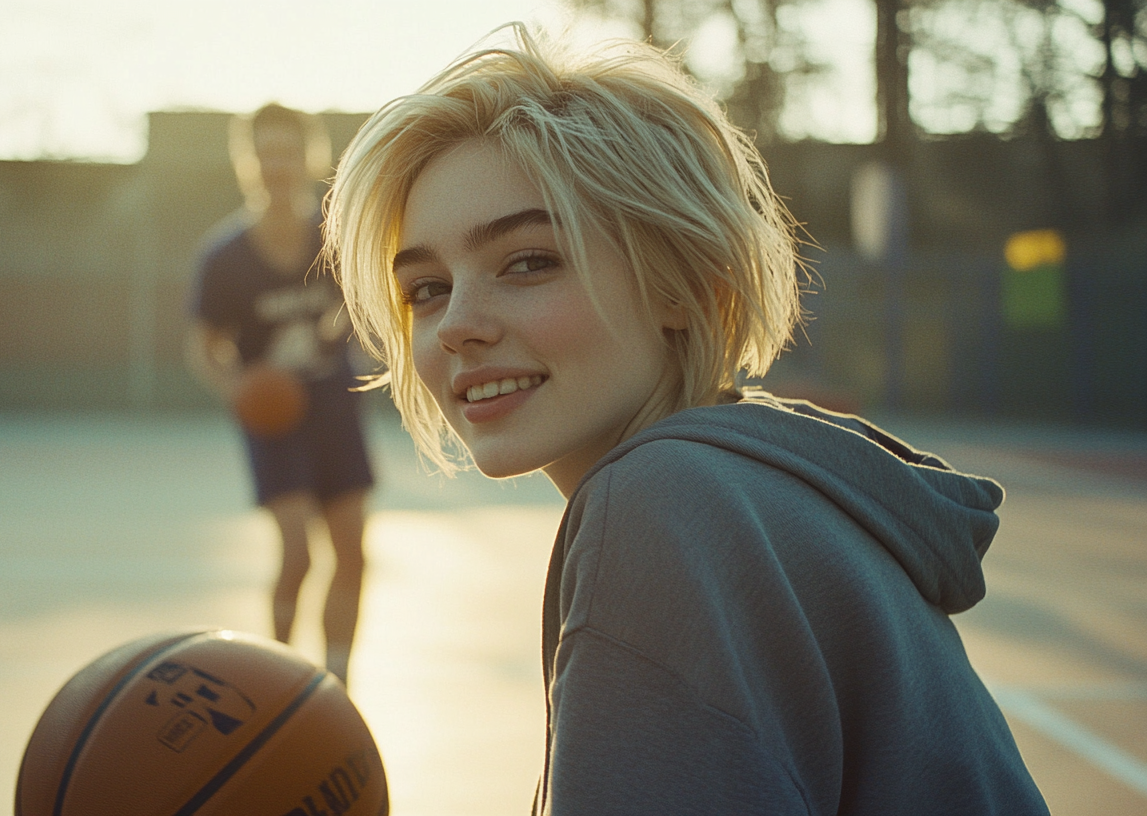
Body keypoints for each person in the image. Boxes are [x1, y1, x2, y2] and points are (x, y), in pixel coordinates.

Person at [324, 24, 1048, 814]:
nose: (456, 322)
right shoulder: (767, 495)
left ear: (686, 285)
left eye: (528, 261)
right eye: (425, 288)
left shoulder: (661, 508)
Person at [188, 102, 374, 685]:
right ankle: (281, 682)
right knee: (298, 553)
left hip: (333, 407)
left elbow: (362, 302)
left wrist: (340, 332)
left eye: (287, 152)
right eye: (265, 153)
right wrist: (239, 388)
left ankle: (338, 680)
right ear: (249, 162)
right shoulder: (224, 257)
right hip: (273, 419)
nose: (277, 164)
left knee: (352, 554)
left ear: (308, 158)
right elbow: (203, 345)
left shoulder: (336, 237)